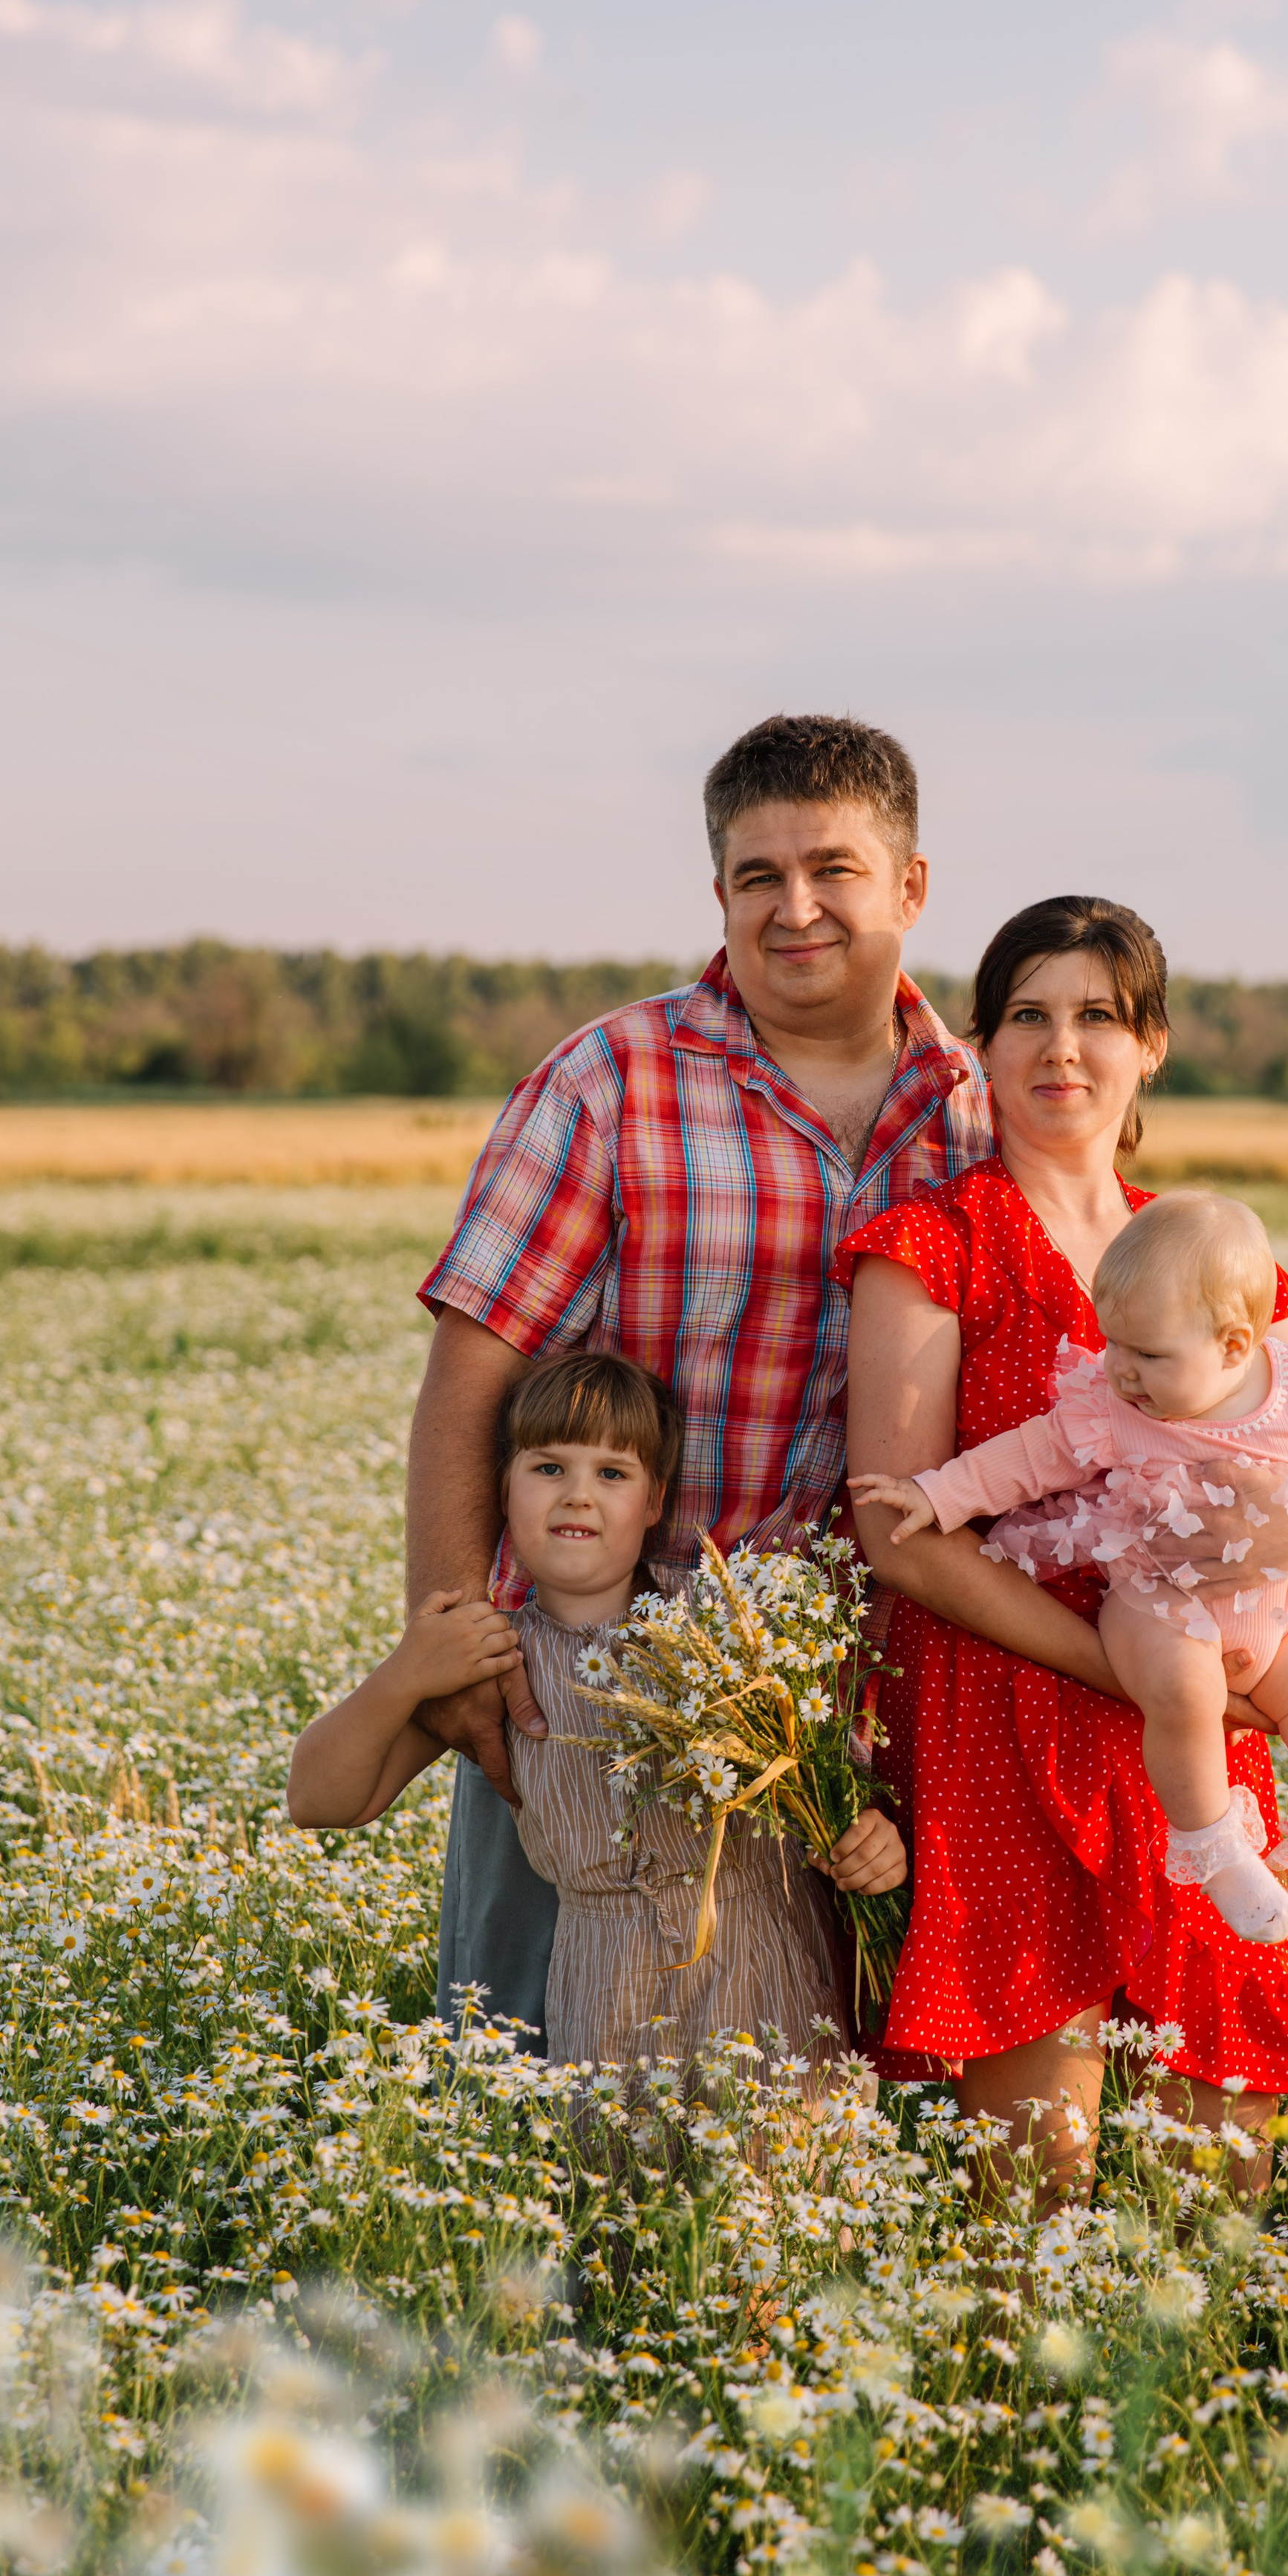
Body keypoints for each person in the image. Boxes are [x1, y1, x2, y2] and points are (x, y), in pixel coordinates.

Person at [409, 715, 993, 2052]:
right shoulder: (611, 1079)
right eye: (757, 876)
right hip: (588, 1693)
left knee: (818, 2094)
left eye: (835, 870)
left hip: (852, 1718)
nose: (796, 909)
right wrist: (447, 1644)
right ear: (718, 890)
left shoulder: (979, 1107)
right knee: (535, 2073)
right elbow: (473, 1368)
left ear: (910, 886)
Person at [838, 893, 1288, 2207]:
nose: (1061, 1047)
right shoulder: (931, 1248)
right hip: (1008, 1713)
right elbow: (899, 1537)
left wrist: (1277, 1629)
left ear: (1151, 1046)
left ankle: (1203, 2348)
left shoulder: (1217, 1254)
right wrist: (1123, 1668)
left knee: (1223, 2159)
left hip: (1199, 1711)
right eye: (1026, 1015)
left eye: (1098, 1017)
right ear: (980, 1045)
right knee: (1035, 2182)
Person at [855, 1186, 1288, 1980]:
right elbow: (1025, 1460)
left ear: (1235, 1343)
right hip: (1159, 1605)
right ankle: (1218, 1854)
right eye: (1113, 1344)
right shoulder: (1114, 1408)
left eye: (1147, 1355)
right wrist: (934, 1495)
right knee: (1185, 1695)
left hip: (1281, 1613)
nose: (1120, 1369)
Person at [292, 1348, 851, 2078]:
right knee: (614, 2151)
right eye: (549, 1468)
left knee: (775, 2148)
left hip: (762, 1980)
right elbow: (319, 1800)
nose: (578, 1496)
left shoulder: (724, 1632)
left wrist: (868, 1838)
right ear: (502, 1490)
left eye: (612, 1474)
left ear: (654, 1503)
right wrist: (404, 1675)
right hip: (604, 2004)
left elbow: (830, 1788)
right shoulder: (497, 1665)